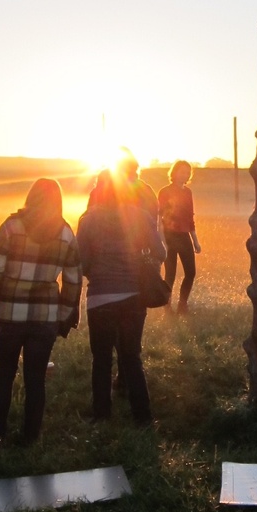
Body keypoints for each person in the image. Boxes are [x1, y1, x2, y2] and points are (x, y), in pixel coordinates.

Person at [0, 179, 81, 446]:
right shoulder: (66, 233)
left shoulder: (11, 226)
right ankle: (31, 437)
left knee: (3, 374)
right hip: (45, 319)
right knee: (36, 378)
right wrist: (63, 315)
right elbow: (73, 280)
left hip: (8, 314)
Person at [76, 169, 164, 424]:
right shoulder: (141, 217)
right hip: (135, 296)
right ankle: (143, 418)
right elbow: (161, 253)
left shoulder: (88, 220)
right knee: (131, 357)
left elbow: (81, 263)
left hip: (100, 296)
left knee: (101, 359)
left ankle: (101, 415)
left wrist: (98, 269)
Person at [158, 160, 201, 315]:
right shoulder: (165, 191)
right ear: (174, 172)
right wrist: (162, 241)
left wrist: (195, 240)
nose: (186, 174)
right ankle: (167, 306)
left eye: (188, 172)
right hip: (169, 237)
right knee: (170, 274)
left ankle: (183, 304)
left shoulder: (188, 192)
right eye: (183, 171)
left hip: (184, 236)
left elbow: (190, 219)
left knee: (191, 273)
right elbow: (159, 218)